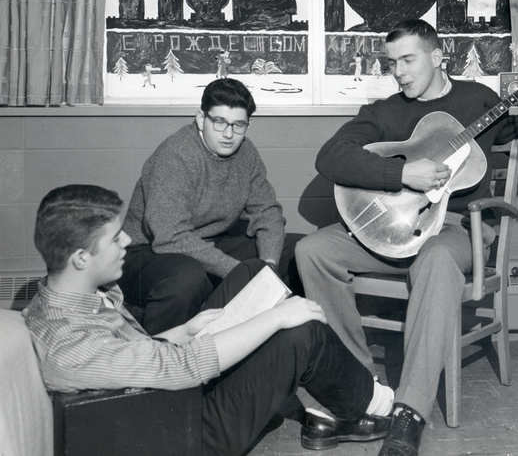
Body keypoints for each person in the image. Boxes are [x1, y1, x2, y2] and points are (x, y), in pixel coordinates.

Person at [295, 19, 518, 456]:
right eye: (392, 62)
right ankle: (358, 390)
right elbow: (330, 157)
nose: (399, 72)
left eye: (408, 60)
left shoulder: (479, 100)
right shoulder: (384, 113)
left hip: (456, 228)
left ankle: (408, 412)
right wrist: (400, 172)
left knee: (435, 258)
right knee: (312, 250)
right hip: (398, 227)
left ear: (437, 56)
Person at [23, 184, 395, 456]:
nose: (125, 241)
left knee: (252, 273)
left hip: (166, 398)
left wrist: (182, 330)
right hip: (190, 432)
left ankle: (286, 391)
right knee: (302, 332)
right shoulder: (68, 344)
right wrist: (277, 319)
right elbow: (182, 368)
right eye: (113, 238)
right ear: (80, 258)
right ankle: (370, 405)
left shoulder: (67, 297)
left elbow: (125, 357)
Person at [118, 77, 301, 335]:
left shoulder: (246, 152)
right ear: (200, 118)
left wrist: (268, 266)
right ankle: (163, 356)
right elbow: (170, 237)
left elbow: (267, 212)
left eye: (238, 125)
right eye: (219, 122)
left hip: (209, 240)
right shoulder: (176, 154)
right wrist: (242, 274)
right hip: (146, 252)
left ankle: (273, 341)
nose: (228, 134)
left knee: (297, 251)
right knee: (186, 277)